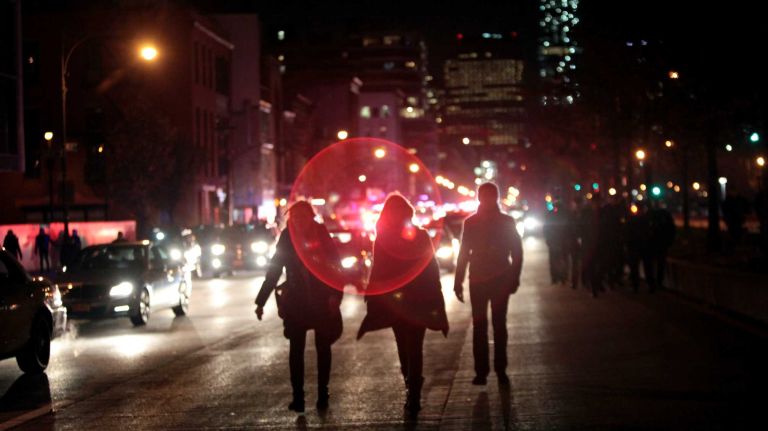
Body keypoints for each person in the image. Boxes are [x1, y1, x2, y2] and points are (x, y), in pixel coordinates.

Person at [358, 193, 448, 417]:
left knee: (403, 345)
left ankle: (411, 387)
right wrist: (436, 299)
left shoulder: (384, 238)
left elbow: (378, 269)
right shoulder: (420, 235)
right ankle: (414, 391)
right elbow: (431, 269)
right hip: (418, 299)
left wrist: (373, 293)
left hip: (397, 302)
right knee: (415, 346)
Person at [254, 201, 343, 413]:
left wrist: (334, 295)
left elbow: (335, 266)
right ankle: (299, 397)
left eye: (303, 217)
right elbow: (274, 270)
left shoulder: (320, 234)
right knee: (296, 350)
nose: (300, 222)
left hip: (320, 299)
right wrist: (260, 301)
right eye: (296, 218)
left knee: (323, 348)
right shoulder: (287, 237)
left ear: (310, 217)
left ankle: (322, 393)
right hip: (297, 301)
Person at [454, 183, 523, 385]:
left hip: (484, 279)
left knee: (487, 325)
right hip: (492, 278)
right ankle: (492, 371)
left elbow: (464, 253)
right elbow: (516, 252)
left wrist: (459, 281)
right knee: (490, 325)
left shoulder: (474, 222)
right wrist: (458, 281)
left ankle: (487, 371)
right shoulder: (503, 221)